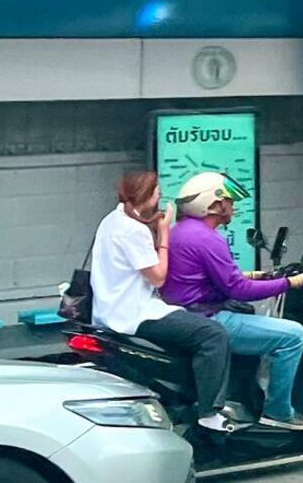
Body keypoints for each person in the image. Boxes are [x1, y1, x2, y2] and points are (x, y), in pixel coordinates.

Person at [162, 171, 303, 432]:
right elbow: (238, 289)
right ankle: (278, 412)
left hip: (186, 314)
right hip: (210, 318)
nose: (233, 207)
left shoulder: (180, 232)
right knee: (293, 335)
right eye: (229, 202)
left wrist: (255, 275)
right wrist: (288, 283)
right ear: (213, 203)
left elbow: (205, 277)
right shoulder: (207, 238)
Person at [89, 171, 238, 432]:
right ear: (147, 195)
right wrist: (164, 233)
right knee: (213, 334)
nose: (160, 196)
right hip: (135, 313)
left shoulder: (111, 221)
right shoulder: (133, 231)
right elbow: (158, 277)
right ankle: (209, 412)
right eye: (157, 191)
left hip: (109, 309)